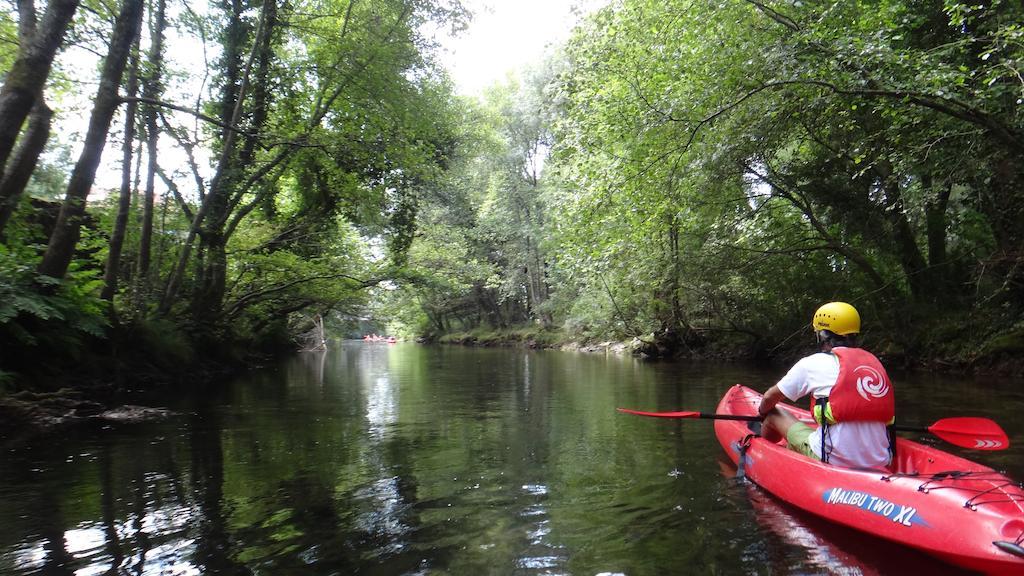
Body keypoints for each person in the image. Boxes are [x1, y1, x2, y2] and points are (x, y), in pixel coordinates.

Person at [757, 302, 894, 468]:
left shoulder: (812, 363)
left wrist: (762, 413)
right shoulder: (873, 362)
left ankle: (762, 453)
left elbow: (770, 397)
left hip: (833, 459)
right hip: (880, 459)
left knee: (773, 412)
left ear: (822, 336)